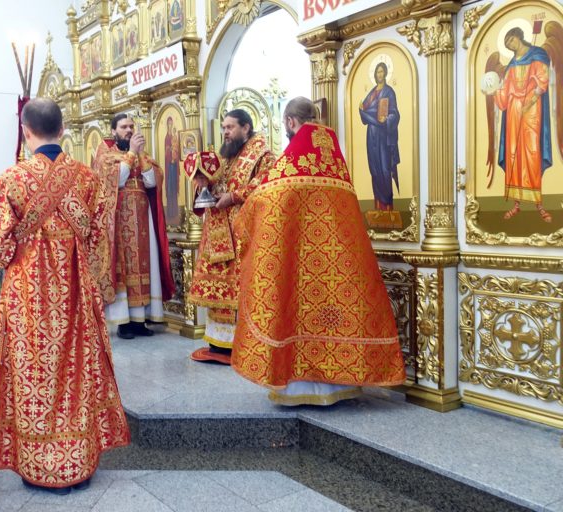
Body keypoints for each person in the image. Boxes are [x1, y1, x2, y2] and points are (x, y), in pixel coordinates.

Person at [0, 98, 130, 493]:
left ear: (26, 132)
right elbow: (99, 240)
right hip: (76, 293)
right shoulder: (87, 179)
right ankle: (77, 459)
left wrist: (19, 249)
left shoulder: (10, 180)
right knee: (77, 371)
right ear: (62, 130)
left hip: (27, 296)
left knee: (33, 373)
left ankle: (38, 464)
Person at [231, 97, 406, 406]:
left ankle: (301, 389)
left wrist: (244, 216)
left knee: (297, 314)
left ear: (290, 122)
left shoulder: (295, 154)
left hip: (298, 258)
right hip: (338, 259)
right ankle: (338, 386)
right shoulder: (333, 153)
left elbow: (265, 199)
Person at [187, 109, 276, 365]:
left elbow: (266, 185)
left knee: (240, 287)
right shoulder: (225, 157)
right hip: (217, 232)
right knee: (219, 289)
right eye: (224, 127)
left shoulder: (264, 156)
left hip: (242, 234)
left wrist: (234, 197)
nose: (225, 132)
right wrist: (203, 184)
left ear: (246, 128)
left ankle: (241, 341)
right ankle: (218, 341)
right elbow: (215, 184)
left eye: (230, 127)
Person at [92, 114, 175, 339]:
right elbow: (116, 180)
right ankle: (124, 323)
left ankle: (140, 321)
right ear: (114, 131)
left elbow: (152, 181)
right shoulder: (105, 155)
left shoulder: (142, 155)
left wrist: (140, 155)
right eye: (123, 127)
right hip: (119, 220)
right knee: (124, 268)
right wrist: (131, 154)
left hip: (143, 219)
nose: (128, 130)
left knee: (145, 264)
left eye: (131, 126)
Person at [491, 27, 552, 222]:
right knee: (513, 154)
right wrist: (493, 90)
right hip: (514, 111)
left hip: (531, 110)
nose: (510, 46)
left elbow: (543, 81)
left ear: (518, 36)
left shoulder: (537, 55)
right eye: (507, 44)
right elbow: (504, 92)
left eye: (511, 41)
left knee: (532, 153)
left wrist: (530, 101)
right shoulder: (512, 64)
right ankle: (516, 204)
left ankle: (538, 203)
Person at [359, 62, 400, 212]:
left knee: (384, 169)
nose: (380, 74)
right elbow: (364, 110)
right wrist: (361, 109)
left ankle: (387, 207)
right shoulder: (372, 93)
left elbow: (395, 113)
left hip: (383, 136)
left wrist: (387, 119)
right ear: (375, 75)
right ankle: (378, 207)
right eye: (378, 72)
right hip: (371, 135)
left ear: (386, 73)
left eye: (382, 71)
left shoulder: (389, 92)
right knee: (374, 169)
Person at [164, 116, 180, 222]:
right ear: (167, 125)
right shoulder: (167, 137)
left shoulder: (174, 136)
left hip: (174, 165)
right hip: (169, 165)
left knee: (174, 187)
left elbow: (178, 149)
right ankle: (170, 212)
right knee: (170, 188)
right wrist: (170, 150)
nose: (170, 125)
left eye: (171, 123)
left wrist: (175, 150)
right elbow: (166, 152)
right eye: (168, 123)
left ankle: (175, 211)